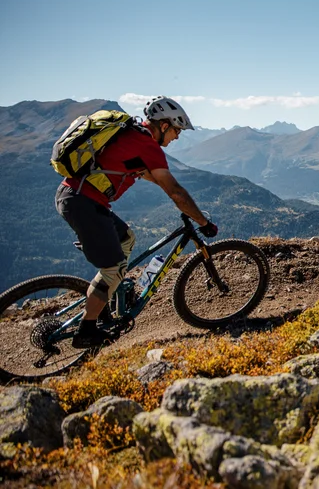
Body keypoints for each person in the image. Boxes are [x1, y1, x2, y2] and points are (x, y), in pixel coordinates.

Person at [55, 95, 218, 348]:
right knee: (113, 268)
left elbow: (151, 176)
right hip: (82, 203)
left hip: (77, 199)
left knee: (126, 238)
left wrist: (180, 199)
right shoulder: (146, 144)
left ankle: (112, 291)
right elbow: (174, 191)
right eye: (176, 130)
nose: (177, 137)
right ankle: (86, 330)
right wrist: (202, 222)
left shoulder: (131, 137)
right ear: (163, 125)